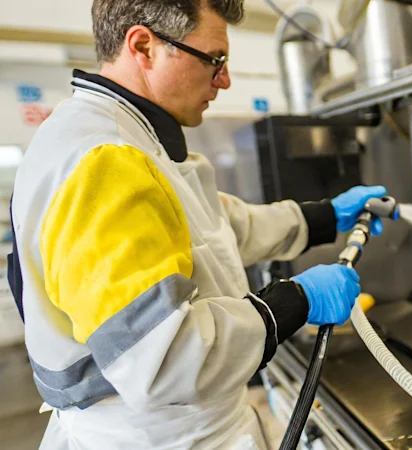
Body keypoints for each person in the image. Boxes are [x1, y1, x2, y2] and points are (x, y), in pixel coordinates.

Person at [8, 0, 387, 448]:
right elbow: (162, 359)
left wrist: (328, 215)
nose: (224, 80)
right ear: (144, 46)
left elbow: (217, 229)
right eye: (215, 61)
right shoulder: (101, 160)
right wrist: (296, 301)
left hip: (185, 425)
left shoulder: (127, 138)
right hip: (157, 437)